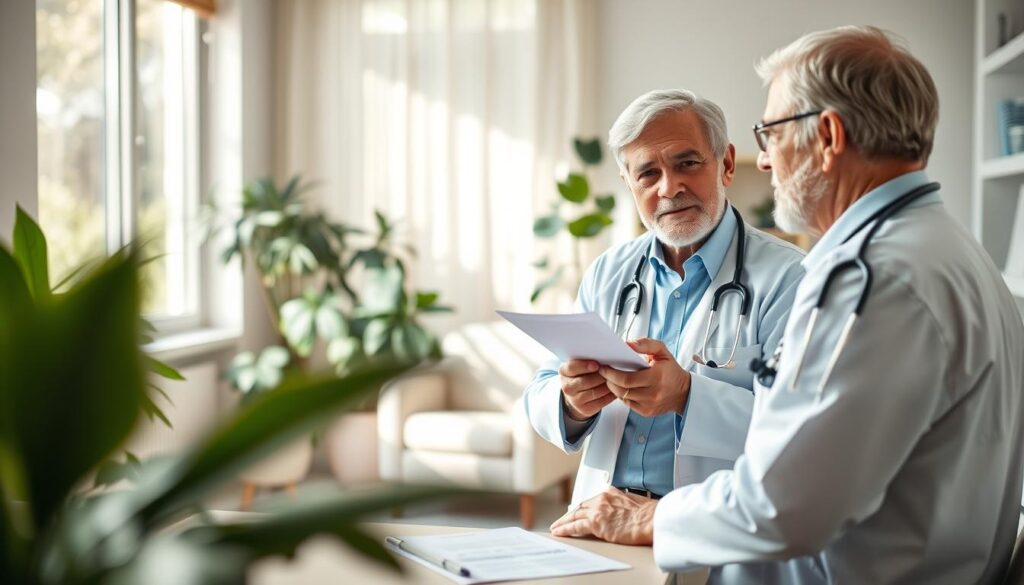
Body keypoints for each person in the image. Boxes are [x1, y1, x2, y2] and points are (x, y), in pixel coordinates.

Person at [550, 26, 1024, 585]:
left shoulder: (872, 279)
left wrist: (652, 515)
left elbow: (782, 502)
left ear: (826, 135)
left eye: (771, 132)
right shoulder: (947, 249)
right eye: (647, 173)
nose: (768, 162)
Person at [522, 90, 805, 519]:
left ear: (726, 163)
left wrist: (686, 395)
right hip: (602, 517)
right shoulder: (608, 271)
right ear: (629, 185)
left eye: (687, 163)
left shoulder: (790, 278)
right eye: (648, 173)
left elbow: (801, 432)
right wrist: (571, 402)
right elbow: (540, 388)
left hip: (708, 530)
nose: (669, 188)